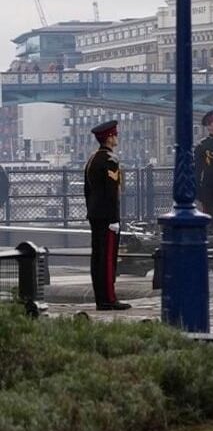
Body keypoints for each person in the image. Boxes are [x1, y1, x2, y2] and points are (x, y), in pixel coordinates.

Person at [83, 119, 130, 311]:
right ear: (109, 138)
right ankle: (109, 299)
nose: (117, 137)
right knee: (108, 259)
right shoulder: (110, 161)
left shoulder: (92, 159)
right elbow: (112, 193)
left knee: (97, 257)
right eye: (115, 135)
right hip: (107, 217)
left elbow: (88, 191)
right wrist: (114, 219)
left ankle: (101, 298)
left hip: (95, 215)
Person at [195, 109, 213, 232]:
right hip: (209, 192)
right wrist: (199, 193)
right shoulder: (202, 146)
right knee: (212, 224)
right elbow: (197, 170)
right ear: (208, 126)